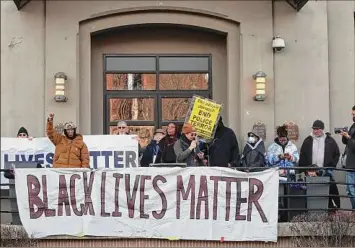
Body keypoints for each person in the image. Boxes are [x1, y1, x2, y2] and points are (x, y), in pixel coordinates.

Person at [299, 120, 340, 209]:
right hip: (310, 172)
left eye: (317, 129)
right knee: (311, 191)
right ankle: (310, 210)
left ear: (322, 129)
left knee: (331, 189)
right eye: (314, 129)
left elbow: (336, 154)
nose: (315, 131)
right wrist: (305, 170)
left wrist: (330, 167)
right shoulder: (308, 140)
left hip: (325, 171)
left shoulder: (330, 140)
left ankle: (334, 209)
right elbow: (302, 155)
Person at [339, 105, 355, 209]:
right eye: (352, 114)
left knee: (352, 190)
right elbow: (348, 143)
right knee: (349, 191)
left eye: (354, 114)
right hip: (349, 164)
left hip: (354, 165)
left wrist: (348, 137)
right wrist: (345, 137)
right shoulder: (353, 126)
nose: (353, 116)